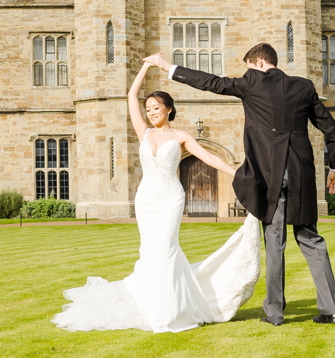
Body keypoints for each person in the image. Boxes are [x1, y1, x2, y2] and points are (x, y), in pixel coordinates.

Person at [52, 59, 263, 333]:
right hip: (146, 199)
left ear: (169, 109)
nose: (151, 112)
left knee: (166, 249)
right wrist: (147, 68)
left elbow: (210, 157)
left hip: (170, 199)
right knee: (150, 252)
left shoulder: (182, 136)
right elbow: (131, 96)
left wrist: (236, 174)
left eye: (156, 108)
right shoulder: (144, 132)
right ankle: (152, 303)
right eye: (148, 108)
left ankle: (171, 309)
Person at [146, 43, 335, 325]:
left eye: (249, 67)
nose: (246, 73)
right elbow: (330, 127)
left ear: (259, 64)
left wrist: (168, 67)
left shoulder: (251, 83)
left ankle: (275, 313)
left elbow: (210, 82)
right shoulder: (304, 87)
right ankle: (331, 309)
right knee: (310, 239)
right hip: (301, 175)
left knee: (275, 242)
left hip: (270, 176)